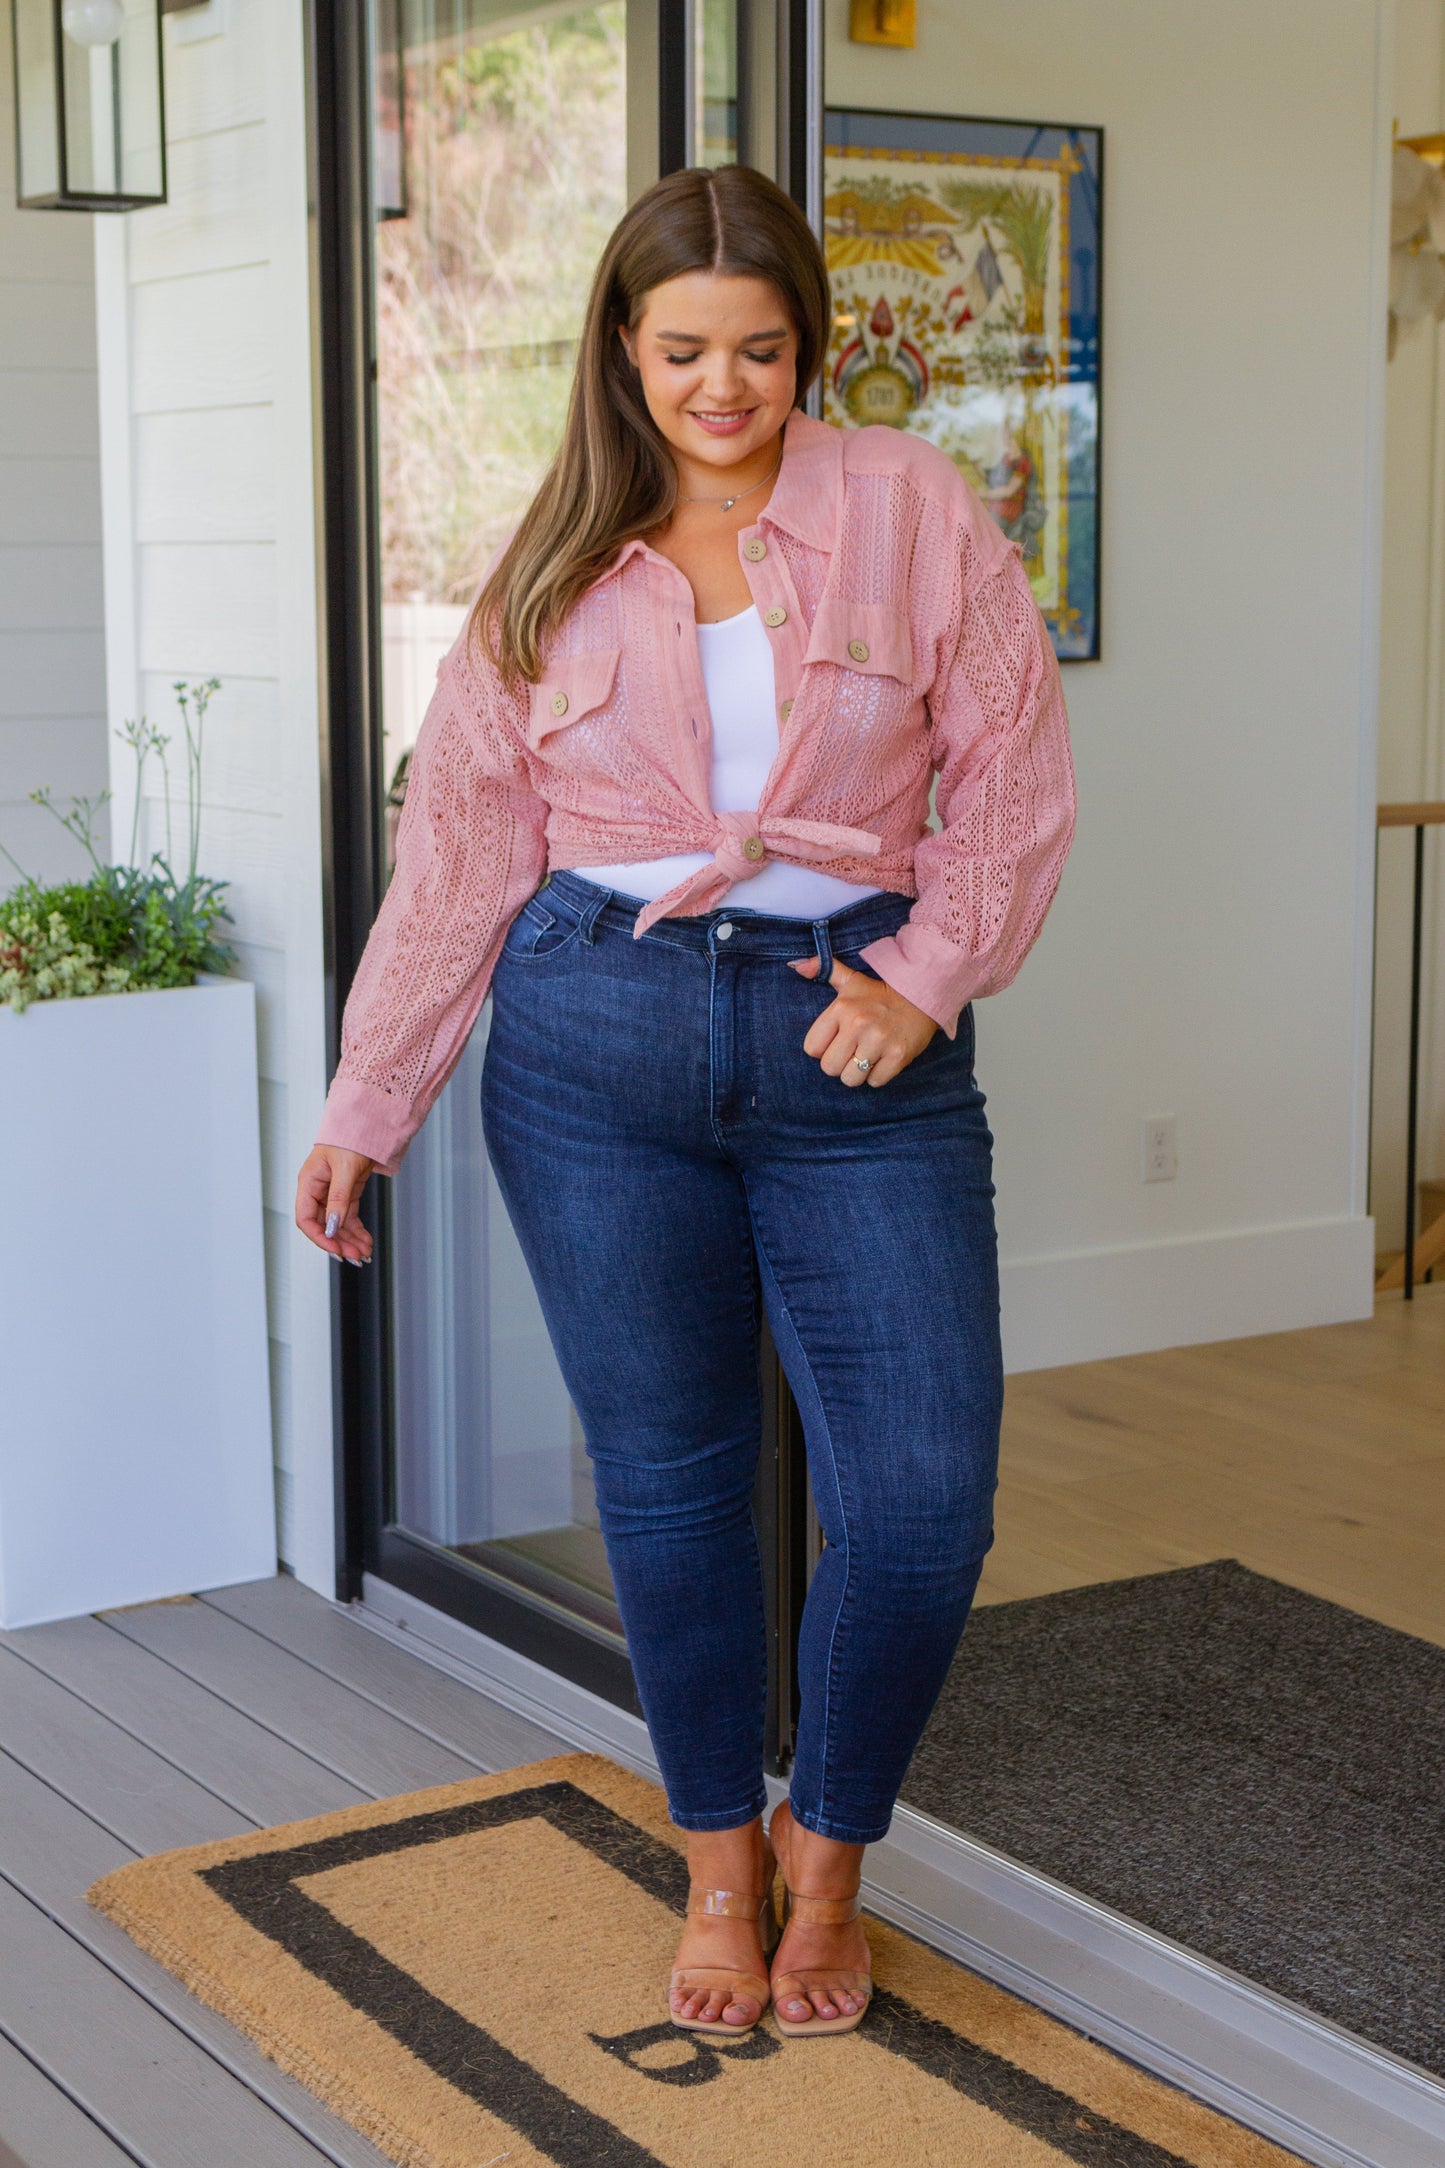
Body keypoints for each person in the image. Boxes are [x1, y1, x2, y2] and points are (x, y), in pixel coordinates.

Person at [295, 163, 1075, 2042]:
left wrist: (922, 978)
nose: (722, 387)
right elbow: (462, 852)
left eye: (760, 349)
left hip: (851, 1043)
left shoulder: (908, 505)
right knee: (668, 1487)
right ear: (622, 352)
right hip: (593, 1044)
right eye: (682, 351)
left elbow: (1015, 774)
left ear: (808, 346)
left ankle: (833, 1852)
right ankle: (724, 1869)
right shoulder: (553, 554)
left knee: (920, 1506)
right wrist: (367, 1098)